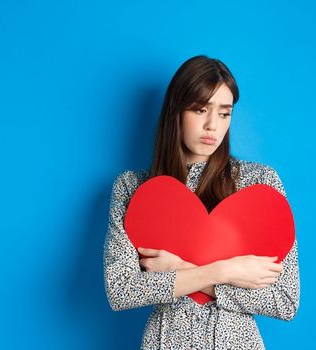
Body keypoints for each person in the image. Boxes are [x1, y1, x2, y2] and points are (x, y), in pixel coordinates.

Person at [103, 55, 300, 349]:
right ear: (176, 112)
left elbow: (285, 301)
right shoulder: (132, 188)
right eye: (200, 109)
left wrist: (179, 269)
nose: (212, 126)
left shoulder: (258, 184)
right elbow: (120, 290)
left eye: (224, 113)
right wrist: (226, 271)